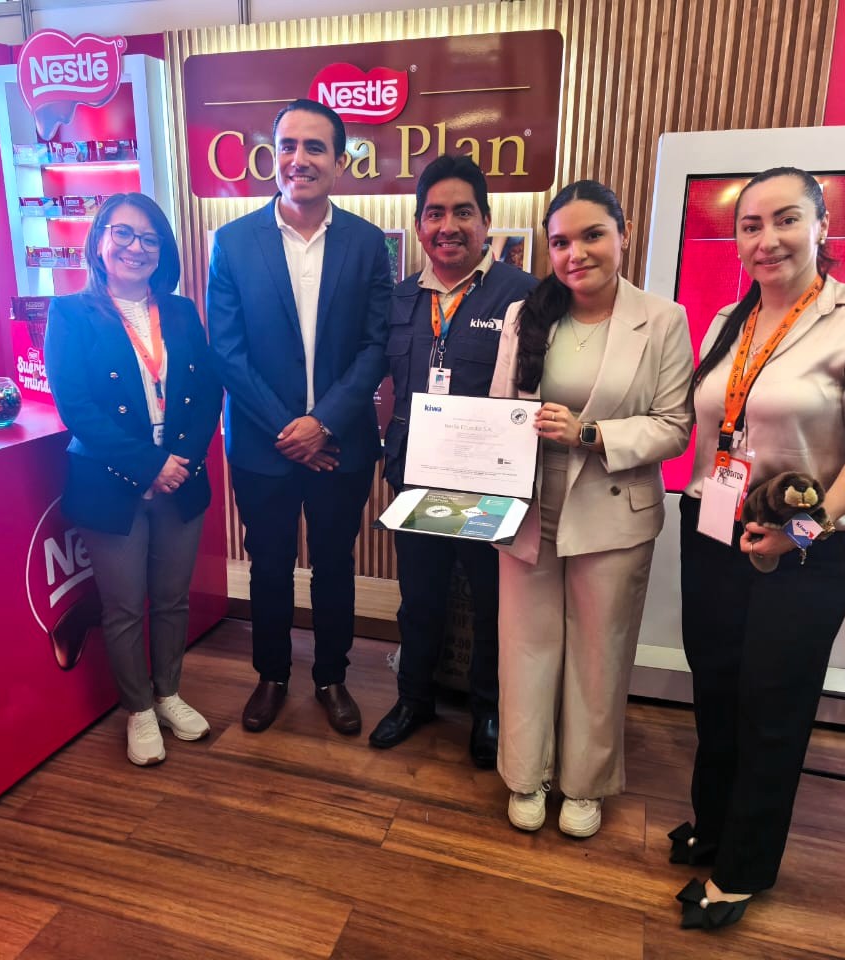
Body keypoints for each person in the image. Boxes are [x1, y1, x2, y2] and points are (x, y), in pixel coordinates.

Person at [673, 166, 845, 930]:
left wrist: (796, 533)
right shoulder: (726, 322)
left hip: (805, 546)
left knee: (771, 709)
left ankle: (743, 869)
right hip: (714, 526)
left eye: (785, 220)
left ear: (821, 228)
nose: (766, 238)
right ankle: (713, 827)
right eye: (750, 225)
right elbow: (710, 427)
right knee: (714, 692)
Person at [489, 179, 693, 837]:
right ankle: (527, 775)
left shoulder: (663, 319)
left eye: (592, 235)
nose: (577, 253)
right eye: (561, 242)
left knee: (600, 654)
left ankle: (585, 784)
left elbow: (674, 425)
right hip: (529, 508)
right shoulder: (528, 315)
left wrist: (590, 432)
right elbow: (499, 411)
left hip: (611, 511)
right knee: (525, 648)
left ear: (623, 234)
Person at [207, 99, 391, 736]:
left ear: (339, 162)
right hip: (263, 444)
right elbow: (226, 352)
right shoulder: (232, 242)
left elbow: (376, 347)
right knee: (269, 563)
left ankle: (332, 676)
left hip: (340, 443)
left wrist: (324, 424)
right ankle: (272, 674)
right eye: (288, 145)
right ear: (273, 156)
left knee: (337, 562)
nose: (299, 159)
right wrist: (292, 429)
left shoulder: (368, 244)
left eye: (315, 148)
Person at [369, 154, 537, 765]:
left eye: (463, 212)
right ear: (418, 226)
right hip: (414, 475)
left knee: (494, 601)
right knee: (420, 598)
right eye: (435, 213)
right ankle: (413, 699)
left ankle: (488, 711)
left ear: (487, 222)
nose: (448, 226)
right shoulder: (400, 299)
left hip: (491, 484)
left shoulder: (523, 294)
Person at [45, 193, 222, 767]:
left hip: (180, 479)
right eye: (123, 234)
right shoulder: (70, 314)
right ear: (100, 239)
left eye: (149, 239)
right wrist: (148, 467)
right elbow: (77, 407)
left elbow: (207, 393)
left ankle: (169, 693)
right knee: (123, 606)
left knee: (171, 600)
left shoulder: (180, 312)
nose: (135, 248)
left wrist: (182, 462)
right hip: (111, 481)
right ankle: (139, 710)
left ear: (161, 252)